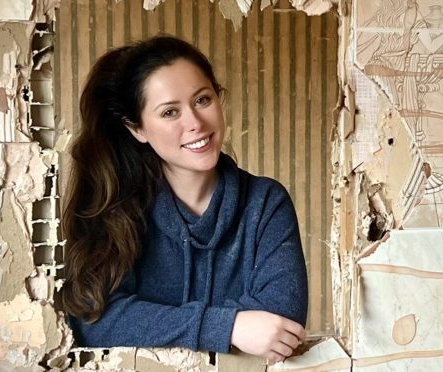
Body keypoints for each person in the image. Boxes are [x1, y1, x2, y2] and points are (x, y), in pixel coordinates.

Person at [62, 35, 308, 363]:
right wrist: (228, 326)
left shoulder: (266, 203)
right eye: (169, 112)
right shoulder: (117, 207)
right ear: (138, 129)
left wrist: (149, 322)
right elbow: (94, 319)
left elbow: (281, 323)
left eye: (202, 100)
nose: (194, 123)